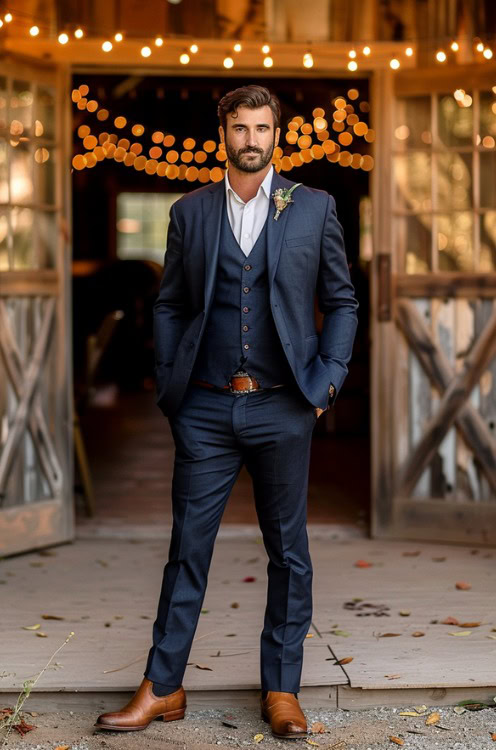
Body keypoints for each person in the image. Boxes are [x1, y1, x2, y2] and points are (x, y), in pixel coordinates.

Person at [95, 84, 358, 739]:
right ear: (224, 133)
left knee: (289, 554)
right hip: (206, 410)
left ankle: (282, 690)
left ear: (277, 135)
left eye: (262, 128)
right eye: (240, 128)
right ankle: (164, 687)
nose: (250, 139)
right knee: (187, 550)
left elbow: (343, 302)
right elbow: (171, 303)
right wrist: (169, 384)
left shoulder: (315, 208)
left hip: (284, 408)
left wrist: (325, 383)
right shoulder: (191, 211)